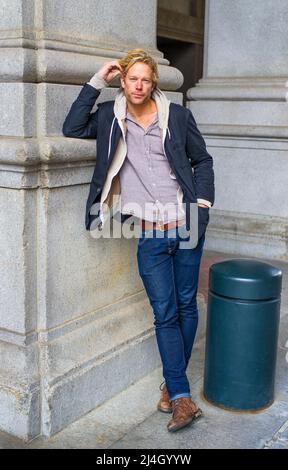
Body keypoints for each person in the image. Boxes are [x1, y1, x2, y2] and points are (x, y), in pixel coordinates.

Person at [62, 49, 215, 432]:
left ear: (153, 83)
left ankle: (171, 387)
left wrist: (202, 202)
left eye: (146, 79)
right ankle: (181, 397)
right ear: (124, 80)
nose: (139, 85)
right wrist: (97, 79)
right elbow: (72, 126)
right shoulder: (112, 120)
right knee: (165, 312)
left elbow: (203, 160)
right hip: (147, 232)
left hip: (185, 224)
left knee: (186, 305)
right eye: (133, 78)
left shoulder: (176, 117)